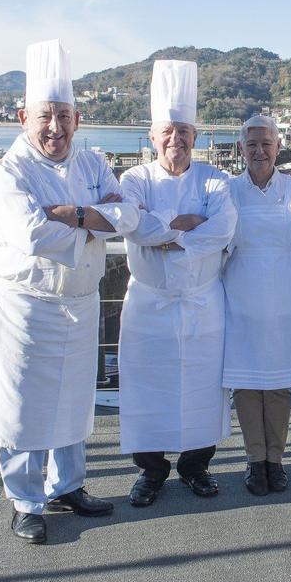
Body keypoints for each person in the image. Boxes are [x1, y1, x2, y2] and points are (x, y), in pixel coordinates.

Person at [0, 39, 139, 544]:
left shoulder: (92, 163)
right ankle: (25, 500)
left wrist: (70, 213)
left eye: (64, 116)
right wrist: (94, 218)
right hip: (26, 304)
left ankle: (68, 484)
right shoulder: (8, 172)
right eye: (45, 117)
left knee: (76, 398)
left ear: (78, 117)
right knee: (24, 403)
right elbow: (30, 234)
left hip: (80, 297)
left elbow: (127, 215)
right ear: (22, 116)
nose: (55, 128)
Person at [118, 60, 237, 508]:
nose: (176, 139)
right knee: (146, 387)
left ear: (196, 136)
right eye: (168, 130)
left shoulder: (215, 179)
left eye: (184, 130)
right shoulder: (133, 179)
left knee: (204, 388)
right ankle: (151, 471)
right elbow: (134, 228)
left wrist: (164, 233)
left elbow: (224, 229)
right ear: (152, 136)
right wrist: (188, 228)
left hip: (204, 304)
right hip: (149, 304)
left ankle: (196, 466)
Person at [223, 114, 291, 496]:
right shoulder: (229, 190)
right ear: (241, 149)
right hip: (241, 294)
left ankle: (276, 460)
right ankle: (254, 461)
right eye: (252, 144)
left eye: (267, 143)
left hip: (288, 293)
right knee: (247, 385)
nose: (260, 151)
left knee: (280, 385)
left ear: (278, 147)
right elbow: (220, 246)